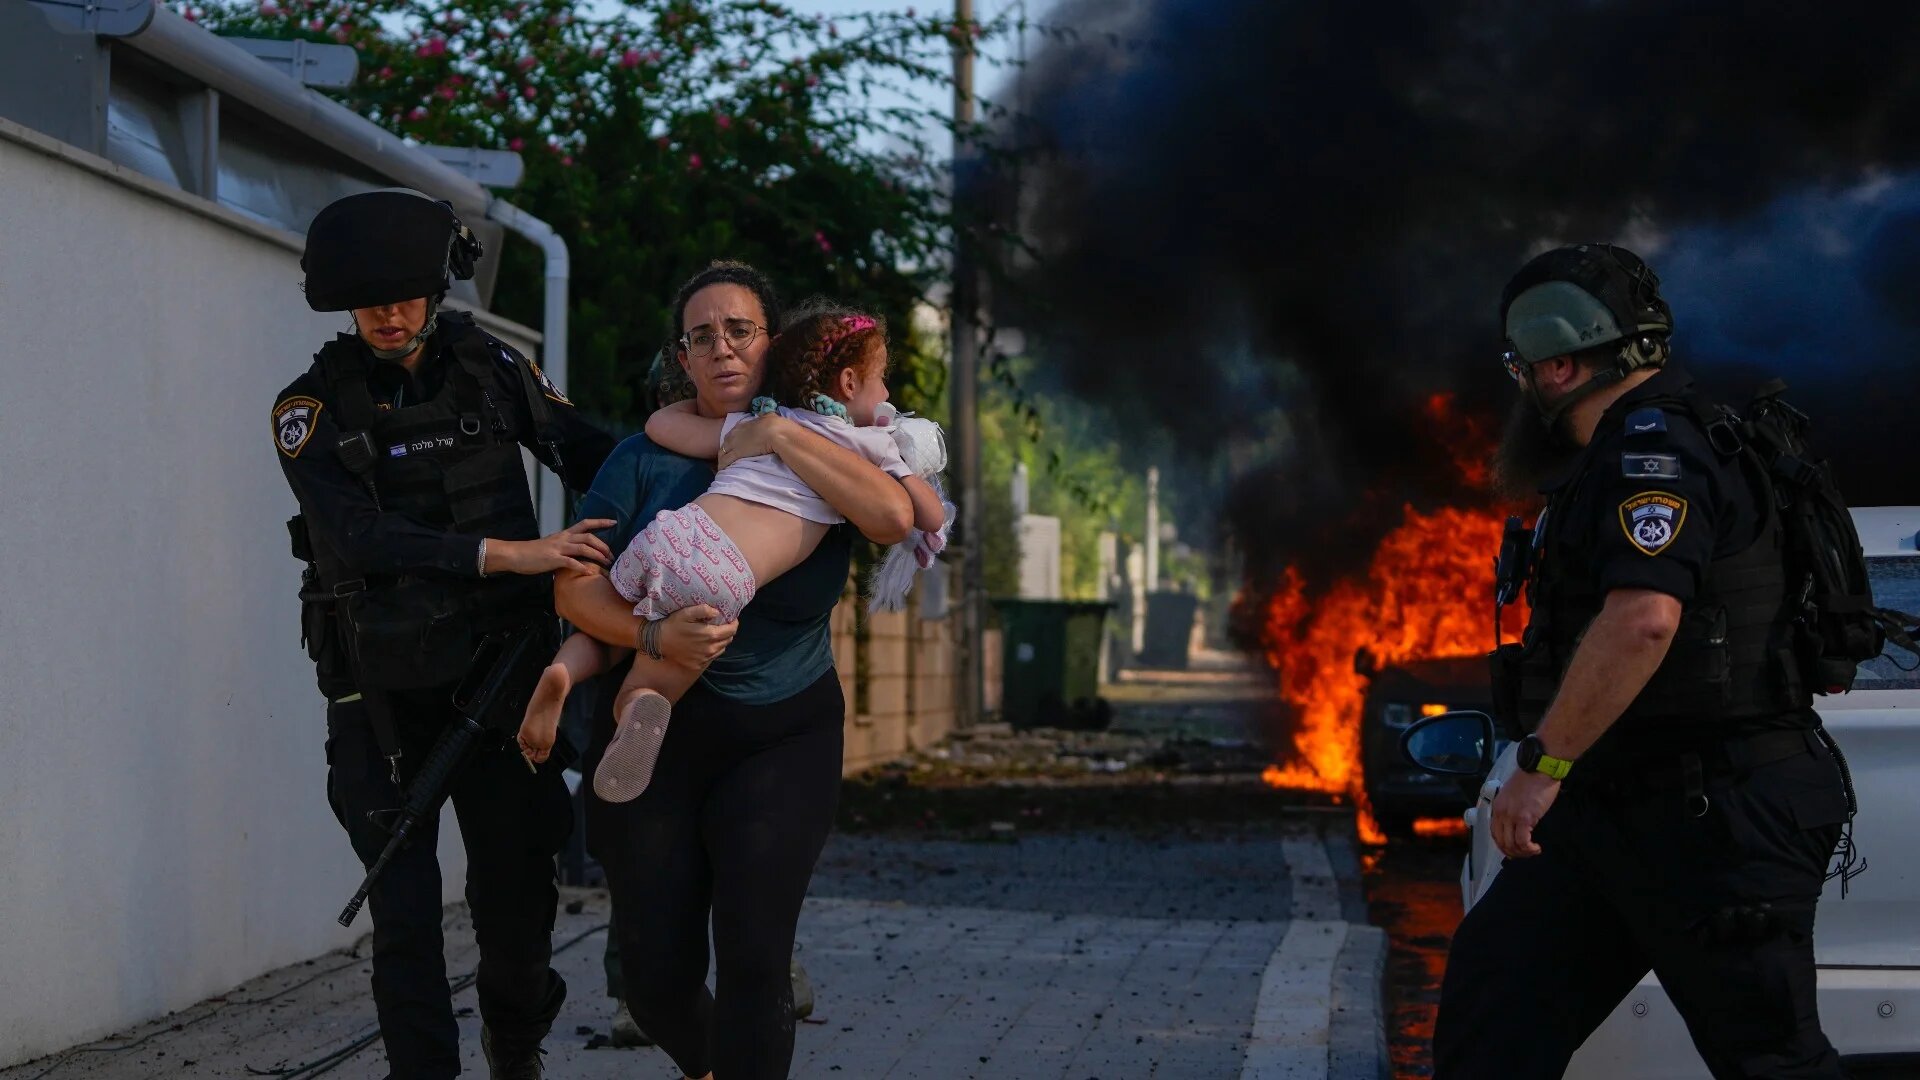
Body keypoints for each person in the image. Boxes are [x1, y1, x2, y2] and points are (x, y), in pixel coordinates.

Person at [1434, 244, 1849, 1078]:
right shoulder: (1632, 449)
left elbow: (1643, 622)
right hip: (1611, 816)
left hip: (1716, 818)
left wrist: (1542, 763)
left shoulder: (1651, 453)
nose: (1519, 385)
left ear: (1557, 365)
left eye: (1521, 365)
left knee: (1771, 1062)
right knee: (1492, 1023)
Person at [275, 189, 617, 1080]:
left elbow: (583, 452)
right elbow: (358, 536)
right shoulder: (310, 407)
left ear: (436, 290)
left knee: (515, 906)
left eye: (406, 295)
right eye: (372, 300)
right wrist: (507, 553)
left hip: (502, 680)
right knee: (408, 914)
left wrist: (699, 473)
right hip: (382, 697)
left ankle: (515, 1044)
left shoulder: (489, 368)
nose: (390, 315)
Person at [557, 261, 915, 1080]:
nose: (721, 349)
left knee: (757, 957)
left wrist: (781, 433)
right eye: (701, 336)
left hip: (782, 734)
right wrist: (652, 642)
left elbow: (895, 517)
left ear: (777, 344)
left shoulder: (828, 443)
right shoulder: (643, 457)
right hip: (656, 733)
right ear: (682, 357)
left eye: (739, 331)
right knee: (654, 982)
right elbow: (575, 586)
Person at [515, 304, 949, 803]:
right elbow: (927, 517)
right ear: (849, 384)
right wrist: (910, 470)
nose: (888, 395)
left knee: (610, 624)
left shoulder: (761, 423)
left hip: (674, 534)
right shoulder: (867, 447)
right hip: (723, 574)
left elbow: (663, 426)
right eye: (882, 382)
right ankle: (640, 702)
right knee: (659, 672)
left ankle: (564, 672)